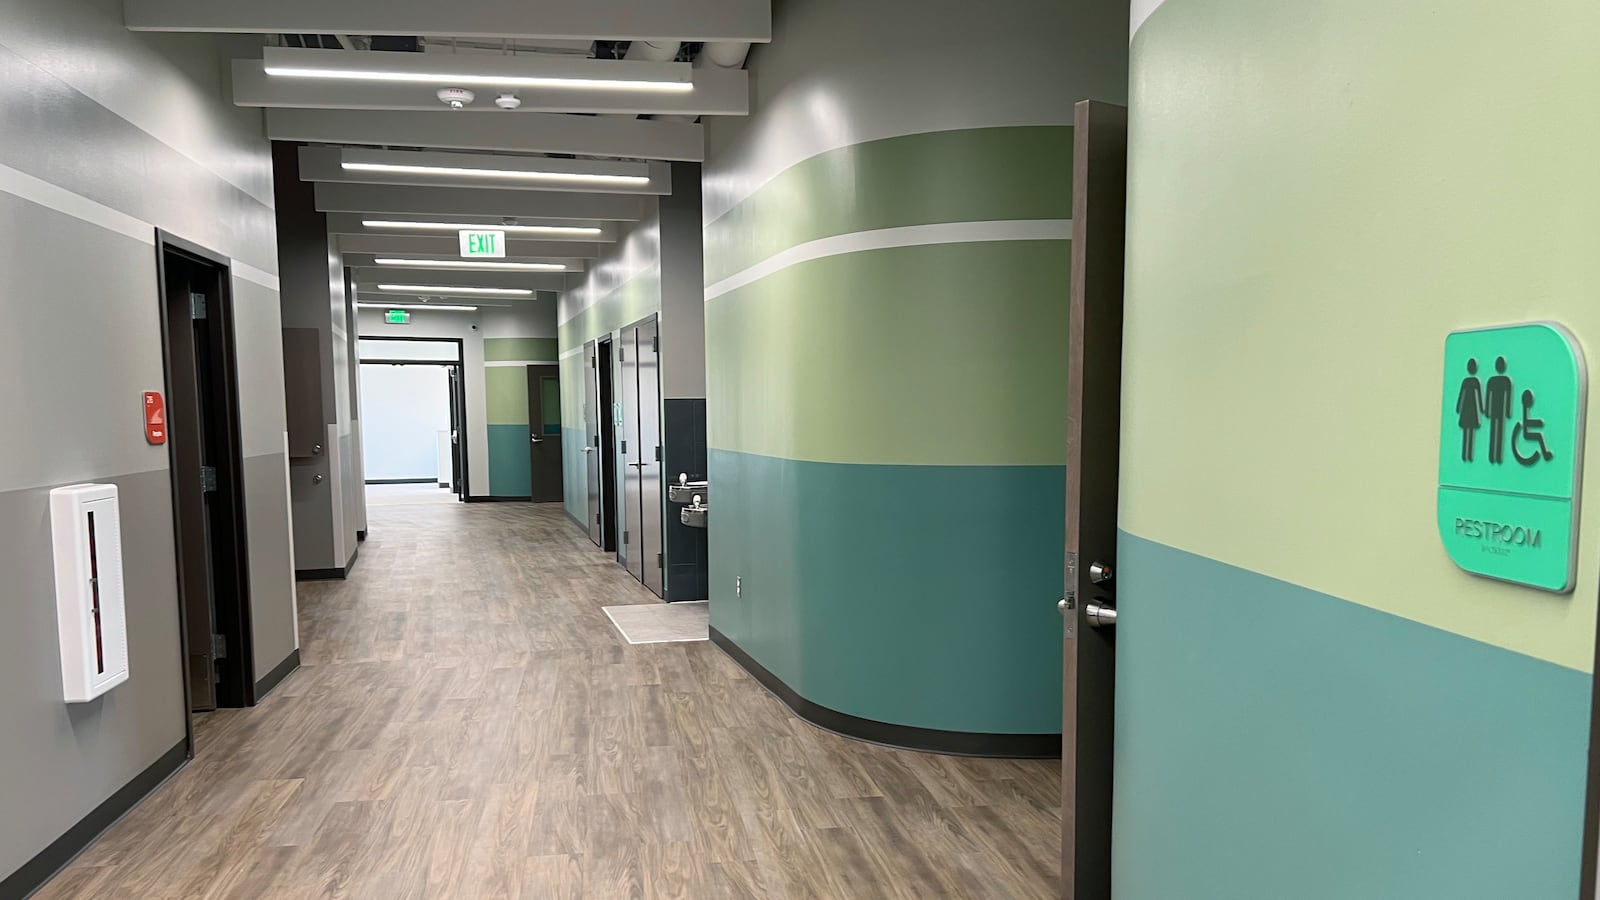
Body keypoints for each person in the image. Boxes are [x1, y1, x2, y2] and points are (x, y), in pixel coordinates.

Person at [1484, 356, 1515, 464]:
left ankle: (1495, 456)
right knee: (1497, 432)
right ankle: (1494, 456)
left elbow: (1508, 397)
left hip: (1497, 410)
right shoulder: (1497, 381)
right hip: (1498, 410)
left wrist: (1508, 411)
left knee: (1496, 432)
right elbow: (1488, 396)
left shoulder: (1496, 381)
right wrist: (1507, 411)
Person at [1513, 389, 1555, 465]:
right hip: (1526, 433)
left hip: (1526, 431)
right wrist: (1539, 423)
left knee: (1539, 436)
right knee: (1539, 436)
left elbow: (1527, 422)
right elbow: (1527, 422)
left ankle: (1545, 454)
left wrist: (1539, 423)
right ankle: (1545, 454)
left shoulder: (1525, 409)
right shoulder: (1525, 410)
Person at [1455, 358, 1484, 462]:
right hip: (1470, 409)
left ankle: (1468, 454)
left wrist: (1481, 408)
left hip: (1471, 409)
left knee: (1469, 432)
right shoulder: (1469, 381)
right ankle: (1466, 455)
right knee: (1468, 432)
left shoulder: (1474, 381)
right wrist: (1482, 408)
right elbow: (1461, 395)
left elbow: (1479, 396)